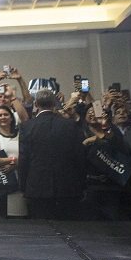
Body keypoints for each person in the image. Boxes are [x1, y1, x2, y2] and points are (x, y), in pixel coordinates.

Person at [19, 89, 86, 220]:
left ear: (36, 104)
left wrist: (23, 187)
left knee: (43, 232)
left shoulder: (27, 126)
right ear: (55, 104)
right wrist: (82, 185)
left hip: (37, 187)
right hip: (68, 186)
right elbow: (80, 156)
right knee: (69, 228)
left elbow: (24, 158)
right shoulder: (70, 125)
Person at [0, 105, 27, 218]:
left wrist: (15, 164)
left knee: (19, 217)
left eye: (6, 114)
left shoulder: (20, 135)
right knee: (1, 218)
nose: (3, 117)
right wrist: (13, 160)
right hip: (2, 183)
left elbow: (26, 158)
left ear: (11, 117)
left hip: (19, 182)